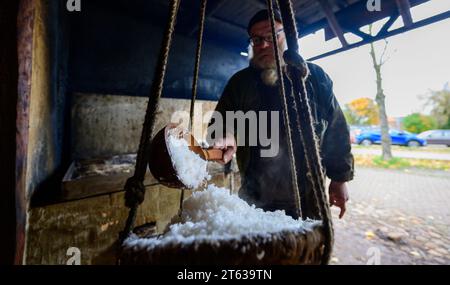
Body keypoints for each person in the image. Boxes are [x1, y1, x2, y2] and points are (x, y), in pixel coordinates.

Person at [208, 9, 354, 219]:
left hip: (309, 197)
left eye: (272, 36)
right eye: (257, 39)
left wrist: (340, 179)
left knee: (307, 250)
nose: (264, 45)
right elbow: (220, 124)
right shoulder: (240, 83)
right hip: (256, 197)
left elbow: (336, 129)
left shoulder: (315, 78)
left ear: (289, 36)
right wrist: (225, 136)